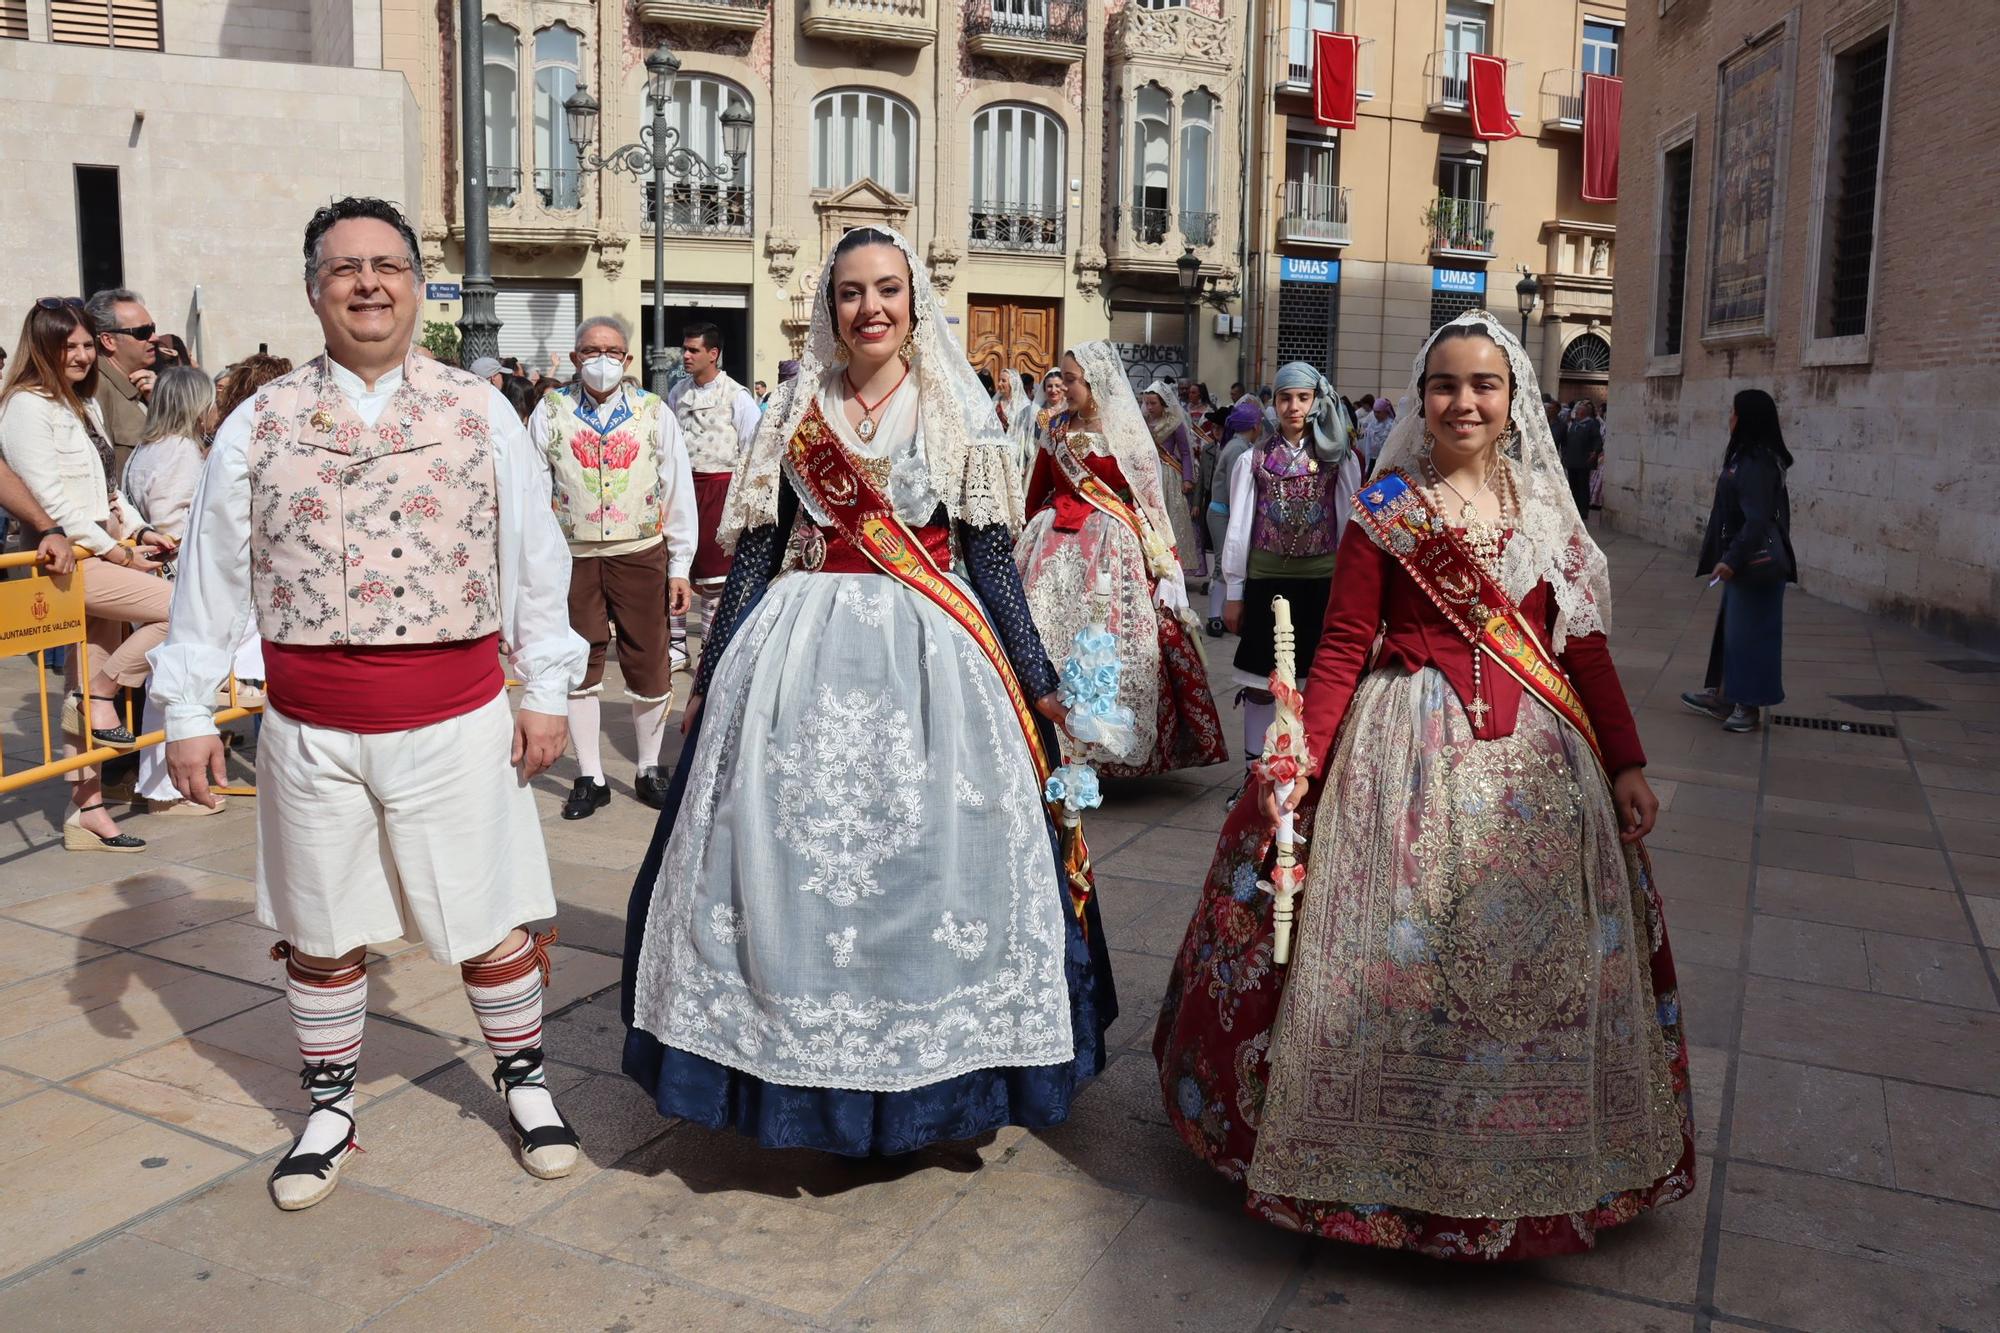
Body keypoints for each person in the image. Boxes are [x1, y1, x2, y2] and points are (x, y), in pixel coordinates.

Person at [1155, 310, 1693, 1260]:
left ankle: (1531, 1165)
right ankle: (1383, 1167)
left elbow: (1588, 646)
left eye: (1484, 384)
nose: (1464, 401)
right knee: (1401, 961)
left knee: (1531, 978)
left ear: (1513, 396)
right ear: (1420, 397)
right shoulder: (1388, 507)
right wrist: (1301, 761)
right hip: (1401, 756)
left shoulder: (1544, 511)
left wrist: (1628, 759)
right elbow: (1342, 648)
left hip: (1540, 769)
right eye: (1446, 384)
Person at [620, 225, 1117, 1154]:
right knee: (777, 853)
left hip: (933, 657)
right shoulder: (794, 409)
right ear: (828, 308)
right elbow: (760, 550)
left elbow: (986, 560)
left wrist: (1039, 677)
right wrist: (713, 671)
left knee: (932, 857)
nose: (871, 308)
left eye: (888, 289)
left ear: (915, 301)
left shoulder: (955, 408)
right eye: (851, 292)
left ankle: (932, 1071)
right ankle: (783, 1060)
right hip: (794, 655)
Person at [153, 196, 589, 1211]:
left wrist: (548, 690)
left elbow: (533, 558)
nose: (366, 282)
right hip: (308, 727)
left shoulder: (479, 409)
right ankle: (330, 1105)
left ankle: (524, 1082)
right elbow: (212, 573)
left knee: (484, 915)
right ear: (314, 288)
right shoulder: (257, 421)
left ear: (415, 281)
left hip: (456, 715)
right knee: (320, 924)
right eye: (344, 267)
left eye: (386, 264)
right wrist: (183, 709)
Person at [0, 297, 178, 851]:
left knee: (85, 684)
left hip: (97, 551)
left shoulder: (83, 403)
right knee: (179, 610)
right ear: (44, 349)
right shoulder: (26, 406)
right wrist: (116, 552)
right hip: (67, 562)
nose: (80, 356)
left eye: (84, 345)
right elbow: (51, 500)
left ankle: (88, 812)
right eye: (68, 346)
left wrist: (139, 532)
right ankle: (100, 693)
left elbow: (107, 490)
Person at [1017, 343, 1226, 777]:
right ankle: (1043, 738)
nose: (1065, 386)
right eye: (1065, 379)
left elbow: (1150, 499)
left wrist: (1164, 559)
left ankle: (1104, 747)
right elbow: (1037, 486)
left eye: (1072, 379)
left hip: (1111, 546)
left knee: (1114, 636)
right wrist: (1028, 526)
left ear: (1094, 384)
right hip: (1052, 545)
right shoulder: (1053, 427)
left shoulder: (1124, 431)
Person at [527, 315, 696, 817]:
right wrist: (535, 564)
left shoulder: (652, 411)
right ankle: (590, 775)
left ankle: (648, 767)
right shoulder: (551, 411)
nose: (602, 360)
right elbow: (535, 490)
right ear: (576, 357)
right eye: (591, 351)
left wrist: (680, 564)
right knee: (579, 663)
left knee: (650, 659)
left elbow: (676, 487)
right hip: (572, 556)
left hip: (640, 552)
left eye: (613, 352)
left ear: (626, 359)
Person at [1218, 362, 1364, 769]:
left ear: (1317, 401)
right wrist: (1234, 591)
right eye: (1285, 398)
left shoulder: (1339, 458)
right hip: (1267, 580)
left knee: (1315, 681)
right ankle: (1253, 773)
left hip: (1322, 583)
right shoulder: (1253, 458)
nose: (1293, 406)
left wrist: (1353, 590)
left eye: (1302, 397)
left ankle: (1306, 767)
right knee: (1262, 685)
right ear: (1274, 404)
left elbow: (1351, 525)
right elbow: (1240, 525)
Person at [122, 365, 233, 815]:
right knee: (169, 684)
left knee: (160, 682)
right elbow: (171, 522)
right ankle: (166, 791)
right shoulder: (180, 451)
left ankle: (164, 785)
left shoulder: (147, 449)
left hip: (154, 576)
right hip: (174, 578)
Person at [1683, 388, 1795, 734]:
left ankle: (1747, 704)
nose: (1729, 418)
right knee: (1731, 632)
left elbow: (1758, 518)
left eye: (1734, 413)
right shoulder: (1744, 458)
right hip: (1744, 563)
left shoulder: (1757, 463)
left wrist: (1730, 559)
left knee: (1751, 634)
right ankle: (1724, 695)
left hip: (1755, 564)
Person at [665, 322, 760, 671]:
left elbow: (752, 447)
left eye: (693, 350)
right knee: (676, 563)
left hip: (720, 487)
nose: (686, 356)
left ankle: (708, 644)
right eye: (685, 349)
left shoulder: (737, 396)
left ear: (713, 354)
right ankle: (676, 645)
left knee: (714, 575)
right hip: (683, 486)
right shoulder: (677, 392)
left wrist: (743, 498)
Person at [1201, 399, 1262, 636]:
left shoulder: (1236, 445)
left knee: (1226, 564)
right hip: (1223, 513)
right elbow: (1235, 489)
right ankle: (1214, 616)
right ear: (1255, 426)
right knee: (1223, 565)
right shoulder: (1238, 449)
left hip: (1222, 511)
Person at [83, 287, 158, 475]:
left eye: (153, 329)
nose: (155, 338)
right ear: (108, 341)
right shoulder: (95, 387)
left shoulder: (143, 384)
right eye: (143, 332)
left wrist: (159, 402)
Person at [1139, 380, 1204, 582]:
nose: (1149, 407)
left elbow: (1185, 453)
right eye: (1147, 403)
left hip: (1168, 475)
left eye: (1153, 403)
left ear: (1163, 404)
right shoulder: (1142, 421)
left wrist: (1187, 479)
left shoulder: (1175, 422)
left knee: (1172, 520)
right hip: (1149, 473)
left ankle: (1173, 564)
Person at [1562, 398, 1603, 522]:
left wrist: (1595, 452)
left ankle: (1583, 510)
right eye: (1577, 412)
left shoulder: (1591, 424)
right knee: (1573, 485)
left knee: (1583, 486)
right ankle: (1574, 508)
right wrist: (1565, 454)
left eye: (1579, 412)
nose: (1577, 414)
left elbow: (1597, 440)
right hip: (1572, 460)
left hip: (1583, 461)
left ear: (1585, 413)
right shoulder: (1574, 424)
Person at [1359, 394, 1396, 473]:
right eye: (1375, 412)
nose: (1376, 415)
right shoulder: (1372, 424)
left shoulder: (1391, 425)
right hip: (1373, 460)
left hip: (1385, 461)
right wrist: (1367, 462)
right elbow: (1368, 444)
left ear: (1386, 411)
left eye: (1378, 412)